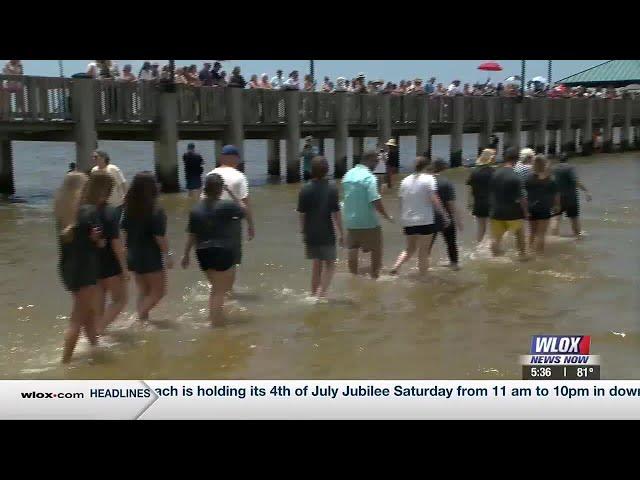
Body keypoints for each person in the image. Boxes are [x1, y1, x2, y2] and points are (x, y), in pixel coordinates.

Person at [181, 174, 246, 326]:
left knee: (218, 287)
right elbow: (244, 209)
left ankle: (218, 315)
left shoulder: (195, 209)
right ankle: (215, 322)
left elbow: (192, 234)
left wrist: (185, 255)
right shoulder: (227, 206)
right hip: (223, 251)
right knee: (219, 290)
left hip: (202, 252)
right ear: (219, 189)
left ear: (205, 188)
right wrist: (231, 194)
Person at [54, 172, 103, 363]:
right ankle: (65, 361)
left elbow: (70, 238)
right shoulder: (89, 211)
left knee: (87, 311)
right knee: (78, 316)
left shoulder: (59, 210)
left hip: (67, 267)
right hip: (85, 267)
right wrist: (96, 238)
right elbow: (99, 243)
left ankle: (95, 346)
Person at [121, 171, 172, 322]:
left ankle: (143, 320)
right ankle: (138, 318)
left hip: (133, 255)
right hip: (150, 257)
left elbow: (123, 231)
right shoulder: (156, 210)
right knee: (159, 292)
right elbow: (159, 237)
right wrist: (168, 255)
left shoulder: (128, 208)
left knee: (143, 291)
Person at [83, 172, 128, 336]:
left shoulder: (83, 210)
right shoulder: (110, 212)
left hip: (91, 265)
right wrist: (124, 269)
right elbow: (116, 244)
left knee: (99, 303)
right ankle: (100, 330)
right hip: (110, 264)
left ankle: (95, 336)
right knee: (120, 299)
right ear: (107, 190)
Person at [203, 145, 256, 283]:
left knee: (214, 258)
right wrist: (250, 226)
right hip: (231, 223)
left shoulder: (210, 175)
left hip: (210, 222)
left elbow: (203, 201)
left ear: (221, 158)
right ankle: (227, 293)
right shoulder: (239, 176)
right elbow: (245, 204)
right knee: (231, 261)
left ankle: (216, 290)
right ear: (234, 158)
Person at [390, 157, 449, 276]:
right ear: (427, 167)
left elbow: (401, 201)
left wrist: (403, 219)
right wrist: (444, 215)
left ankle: (395, 267)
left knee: (409, 249)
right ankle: (423, 278)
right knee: (423, 251)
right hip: (425, 220)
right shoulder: (429, 178)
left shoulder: (405, 180)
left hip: (408, 220)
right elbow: (434, 198)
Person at [297, 156, 344, 299]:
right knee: (330, 264)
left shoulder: (304, 189)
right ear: (327, 170)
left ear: (311, 170)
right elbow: (336, 214)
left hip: (310, 233)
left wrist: (303, 231)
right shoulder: (331, 188)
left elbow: (301, 214)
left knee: (316, 264)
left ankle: (313, 293)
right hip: (326, 232)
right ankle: (321, 294)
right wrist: (342, 233)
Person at [342, 151, 393, 279]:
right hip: (368, 222)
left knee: (353, 249)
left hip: (350, 221)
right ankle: (375, 276)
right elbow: (375, 200)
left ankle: (353, 276)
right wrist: (387, 216)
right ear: (369, 160)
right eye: (376, 161)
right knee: (376, 249)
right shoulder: (369, 177)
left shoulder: (348, 175)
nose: (376, 164)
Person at [488, 147, 528, 258]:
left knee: (496, 238)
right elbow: (522, 198)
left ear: (504, 158)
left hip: (496, 211)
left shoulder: (494, 174)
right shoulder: (516, 177)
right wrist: (526, 213)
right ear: (516, 160)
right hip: (513, 213)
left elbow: (490, 193)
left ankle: (494, 258)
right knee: (520, 234)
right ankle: (522, 256)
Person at [427, 158, 463, 270]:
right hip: (445, 217)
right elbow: (451, 204)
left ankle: (423, 266)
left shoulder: (425, 181)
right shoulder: (446, 182)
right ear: (444, 168)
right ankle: (454, 265)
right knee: (451, 243)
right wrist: (458, 220)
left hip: (428, 217)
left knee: (426, 245)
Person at [550, 153, 591, 237]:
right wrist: (586, 191)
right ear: (567, 159)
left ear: (558, 160)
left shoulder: (553, 168)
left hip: (556, 198)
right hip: (570, 198)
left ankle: (553, 236)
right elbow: (576, 181)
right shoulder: (570, 168)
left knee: (556, 218)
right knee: (574, 218)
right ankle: (577, 236)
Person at [525, 155, 560, 255]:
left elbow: (525, 192)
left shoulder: (529, 178)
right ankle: (539, 254)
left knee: (532, 232)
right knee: (541, 234)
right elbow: (556, 195)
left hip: (531, 207)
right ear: (544, 164)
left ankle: (529, 251)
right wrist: (557, 206)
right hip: (544, 208)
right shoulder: (550, 180)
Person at [466, 148, 495, 244]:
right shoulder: (493, 172)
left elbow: (470, 191)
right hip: (492, 204)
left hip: (478, 204)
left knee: (481, 228)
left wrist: (469, 205)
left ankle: (479, 247)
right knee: (493, 228)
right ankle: (491, 249)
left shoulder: (473, 173)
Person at [91, 150, 127, 219]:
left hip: (114, 203)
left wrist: (126, 197)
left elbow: (123, 183)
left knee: (113, 227)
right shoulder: (94, 170)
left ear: (103, 158)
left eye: (95, 157)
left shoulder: (113, 169)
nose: (93, 159)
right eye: (93, 157)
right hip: (100, 204)